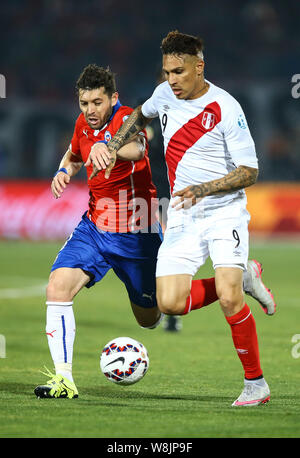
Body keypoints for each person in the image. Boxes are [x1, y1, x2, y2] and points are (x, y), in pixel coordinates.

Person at [88, 31, 276, 407]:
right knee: (169, 303)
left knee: (228, 297)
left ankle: (256, 384)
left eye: (179, 71)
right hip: (183, 216)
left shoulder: (225, 107)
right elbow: (140, 114)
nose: (172, 79)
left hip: (224, 212)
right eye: (167, 71)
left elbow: (250, 171)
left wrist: (205, 189)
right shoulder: (164, 95)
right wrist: (110, 146)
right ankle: (247, 275)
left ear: (199, 66)